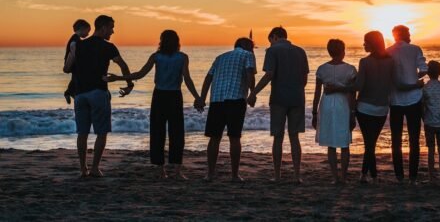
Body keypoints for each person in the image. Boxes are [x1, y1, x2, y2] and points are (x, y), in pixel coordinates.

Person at [104, 30, 201, 179]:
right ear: (177, 41)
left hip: (160, 96)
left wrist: (119, 77)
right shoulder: (182, 57)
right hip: (174, 96)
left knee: (157, 132)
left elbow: (140, 74)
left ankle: (160, 170)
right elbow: (187, 79)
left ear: (161, 41)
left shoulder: (157, 56)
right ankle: (176, 171)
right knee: (177, 133)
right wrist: (197, 97)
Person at [63, 15, 134, 178]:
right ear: (103, 28)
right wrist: (129, 85)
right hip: (98, 92)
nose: (113, 31)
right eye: (111, 28)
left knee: (82, 133)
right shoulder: (108, 47)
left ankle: (83, 169)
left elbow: (67, 69)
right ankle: (94, 168)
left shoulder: (78, 45)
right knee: (101, 132)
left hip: (80, 94)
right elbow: (123, 65)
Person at [248, 27, 309, 183]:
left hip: (279, 98)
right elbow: (304, 79)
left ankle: (277, 176)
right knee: (294, 137)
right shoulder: (300, 51)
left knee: (278, 137)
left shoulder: (272, 51)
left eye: (270, 40)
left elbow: (269, 74)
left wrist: (254, 92)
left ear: (274, 37)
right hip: (297, 98)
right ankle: (297, 175)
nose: (270, 44)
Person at [197, 37, 256, 182]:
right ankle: (235, 175)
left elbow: (208, 78)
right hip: (236, 99)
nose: (253, 49)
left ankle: (210, 174)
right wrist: (253, 92)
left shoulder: (220, 57)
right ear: (246, 46)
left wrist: (202, 98)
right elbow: (249, 73)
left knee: (214, 138)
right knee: (234, 137)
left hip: (217, 99)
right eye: (252, 46)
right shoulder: (248, 55)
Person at [311, 39, 357, 184]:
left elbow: (317, 93)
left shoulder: (321, 69)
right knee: (344, 143)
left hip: (327, 104)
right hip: (343, 104)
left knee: (331, 144)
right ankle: (343, 177)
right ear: (343, 51)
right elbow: (352, 93)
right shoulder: (350, 69)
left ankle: (335, 178)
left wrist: (314, 112)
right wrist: (353, 112)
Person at [387, 24, 428, 184]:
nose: (410, 35)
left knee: (396, 139)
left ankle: (399, 176)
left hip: (395, 100)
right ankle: (412, 177)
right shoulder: (415, 49)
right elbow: (424, 69)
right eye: (409, 32)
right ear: (405, 34)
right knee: (414, 139)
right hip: (414, 99)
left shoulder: (388, 51)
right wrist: (414, 77)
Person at [355, 30, 394, 184]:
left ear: (372, 44)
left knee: (369, 143)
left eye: (366, 42)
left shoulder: (364, 62)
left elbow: (358, 86)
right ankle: (367, 175)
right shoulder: (391, 61)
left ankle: (371, 175)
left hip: (364, 107)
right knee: (371, 143)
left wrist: (341, 86)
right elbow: (393, 83)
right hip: (382, 108)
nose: (363, 44)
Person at [422, 60, 440, 183]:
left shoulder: (425, 88)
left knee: (431, 150)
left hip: (429, 122)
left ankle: (431, 177)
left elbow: (423, 107)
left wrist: (424, 119)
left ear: (427, 73)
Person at [63, 19, 91, 104]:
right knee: (76, 78)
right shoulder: (75, 39)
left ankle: (69, 92)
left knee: (75, 78)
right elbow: (73, 46)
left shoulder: (75, 38)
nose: (88, 34)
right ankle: (69, 92)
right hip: (72, 62)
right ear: (82, 29)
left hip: (72, 62)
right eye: (87, 31)